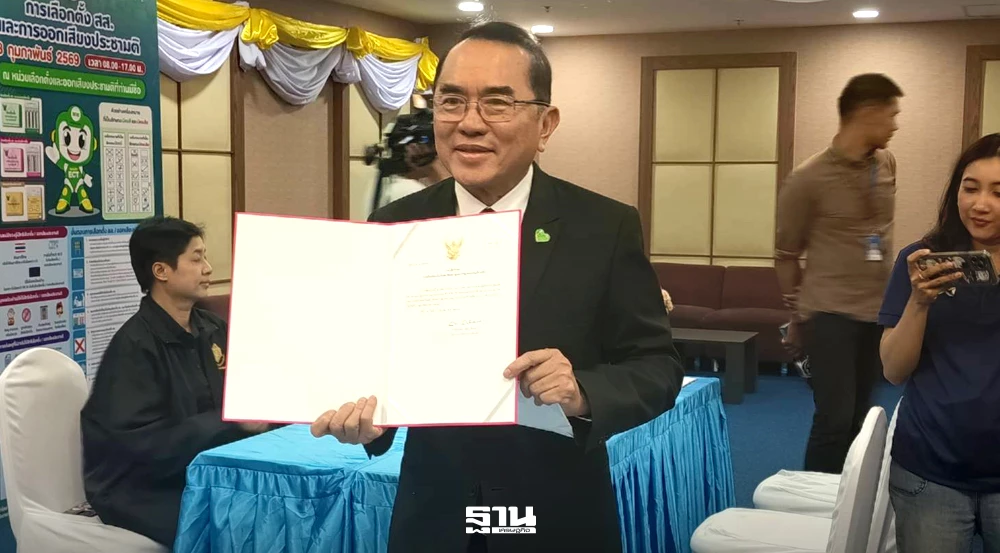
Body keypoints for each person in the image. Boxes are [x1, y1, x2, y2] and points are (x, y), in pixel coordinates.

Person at [311, 21, 684, 553]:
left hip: (555, 510)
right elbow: (375, 362)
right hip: (435, 512)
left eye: (497, 103)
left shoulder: (603, 227)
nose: (469, 123)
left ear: (546, 124)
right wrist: (370, 420)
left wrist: (581, 392)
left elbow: (656, 365)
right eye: (451, 101)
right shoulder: (394, 225)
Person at [80, 216, 269, 546]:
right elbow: (142, 447)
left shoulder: (213, 328)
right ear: (161, 271)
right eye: (196, 259)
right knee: (238, 523)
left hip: (206, 469)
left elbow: (249, 387)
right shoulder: (133, 347)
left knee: (281, 506)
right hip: (143, 488)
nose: (208, 268)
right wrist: (229, 422)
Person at [774, 73, 903, 473]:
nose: (895, 125)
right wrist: (797, 318)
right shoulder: (807, 179)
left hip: (875, 312)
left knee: (862, 417)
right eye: (891, 115)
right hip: (828, 313)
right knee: (834, 417)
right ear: (866, 112)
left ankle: (852, 497)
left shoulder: (886, 163)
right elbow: (785, 255)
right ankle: (814, 499)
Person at [878, 133, 1000, 552]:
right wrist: (919, 301)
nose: (980, 204)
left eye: (998, 192)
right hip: (930, 471)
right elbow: (894, 371)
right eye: (970, 188)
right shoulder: (921, 261)